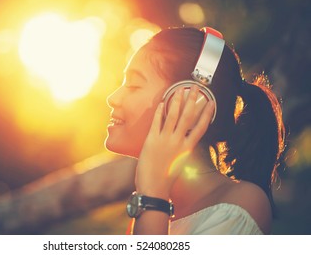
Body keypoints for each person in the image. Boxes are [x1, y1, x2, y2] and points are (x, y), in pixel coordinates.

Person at [104, 26, 286, 235]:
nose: (113, 98)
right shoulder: (157, 208)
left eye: (134, 85)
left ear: (190, 101)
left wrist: (152, 193)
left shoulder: (242, 204)